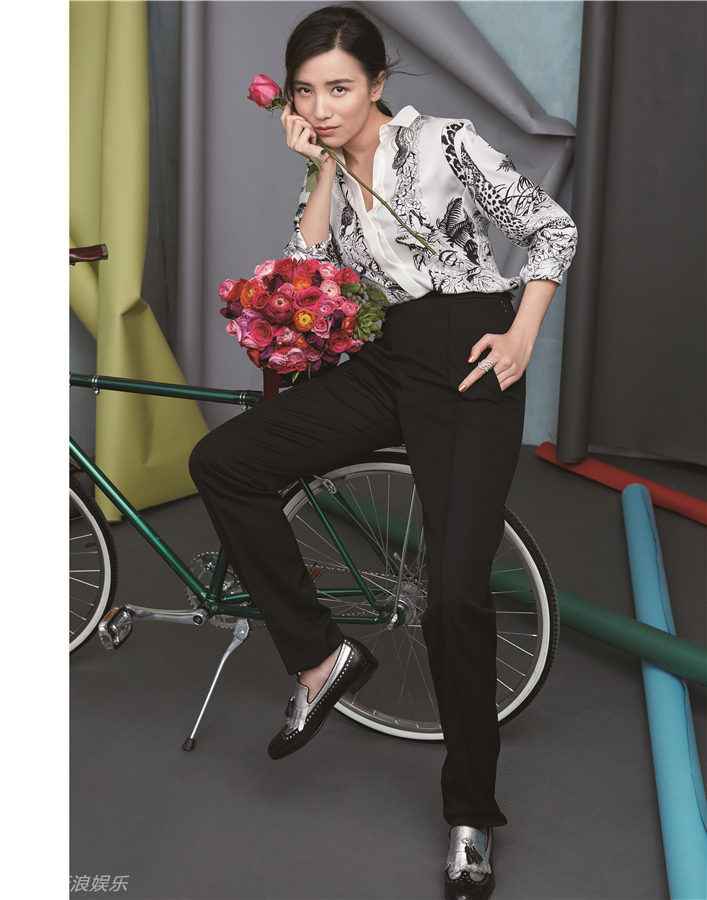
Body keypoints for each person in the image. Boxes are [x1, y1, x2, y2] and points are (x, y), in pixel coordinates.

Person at [189, 6, 577, 899]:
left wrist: (521, 332)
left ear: (377, 84)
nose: (321, 107)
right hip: (382, 358)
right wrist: (320, 167)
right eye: (305, 93)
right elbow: (305, 269)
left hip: (469, 357)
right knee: (225, 463)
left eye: (340, 89)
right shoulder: (323, 161)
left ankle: (470, 815)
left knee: (454, 594)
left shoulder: (443, 142)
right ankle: (319, 657)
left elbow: (549, 228)